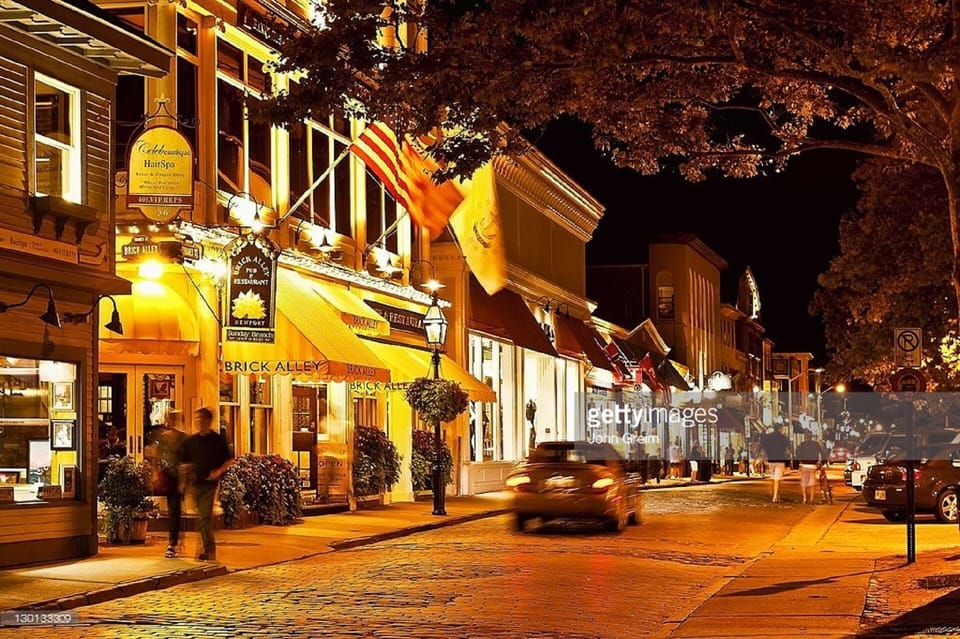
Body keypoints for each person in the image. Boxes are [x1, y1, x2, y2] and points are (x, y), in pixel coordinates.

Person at [180, 407, 234, 561]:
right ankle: (205, 546)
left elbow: (229, 460)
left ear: (209, 421)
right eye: (197, 419)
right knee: (202, 518)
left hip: (209, 484)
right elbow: (185, 462)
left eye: (203, 419)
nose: (200, 423)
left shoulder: (217, 440)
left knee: (204, 517)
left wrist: (218, 471)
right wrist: (185, 476)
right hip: (195, 483)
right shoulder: (191, 441)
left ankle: (208, 549)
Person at [145, 410, 188, 558]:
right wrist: (156, 472)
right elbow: (156, 456)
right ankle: (175, 539)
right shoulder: (164, 438)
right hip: (169, 477)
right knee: (173, 511)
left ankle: (173, 542)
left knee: (175, 510)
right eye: (171, 419)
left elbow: (187, 459)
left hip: (179, 477)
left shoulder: (184, 438)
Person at [761, 424, 791, 503]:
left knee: (774, 478)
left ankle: (776, 493)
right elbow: (788, 449)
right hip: (780, 460)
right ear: (780, 429)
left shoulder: (769, 437)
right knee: (777, 479)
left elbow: (763, 446)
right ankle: (775, 497)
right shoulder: (783, 438)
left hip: (771, 459)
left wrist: (766, 456)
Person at [796, 430, 825, 504]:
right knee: (812, 483)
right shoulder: (816, 444)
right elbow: (822, 453)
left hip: (804, 465)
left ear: (805, 437)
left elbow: (798, 454)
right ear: (811, 436)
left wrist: (799, 463)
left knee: (804, 483)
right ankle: (811, 499)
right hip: (813, 465)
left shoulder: (802, 444)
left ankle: (805, 499)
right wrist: (821, 463)